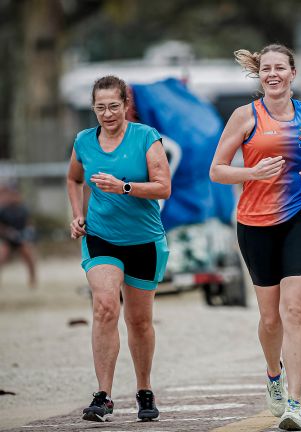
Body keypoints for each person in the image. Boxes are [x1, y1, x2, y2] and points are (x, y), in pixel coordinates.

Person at [210, 44, 301, 431]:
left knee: (294, 311)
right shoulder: (245, 116)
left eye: (280, 67)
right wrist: (252, 174)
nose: (273, 74)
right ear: (260, 75)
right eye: (266, 68)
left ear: (292, 73)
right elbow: (217, 170)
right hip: (254, 222)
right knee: (269, 318)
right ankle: (273, 374)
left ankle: (296, 404)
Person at [66, 75, 171, 423]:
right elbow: (74, 178)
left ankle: (144, 390)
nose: (107, 113)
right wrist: (78, 215)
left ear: (126, 105)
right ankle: (104, 395)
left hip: (143, 240)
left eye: (114, 106)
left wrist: (123, 187)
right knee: (105, 307)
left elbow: (163, 187)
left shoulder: (145, 137)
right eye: (100, 107)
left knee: (139, 321)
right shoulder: (83, 141)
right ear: (92, 108)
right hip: (100, 236)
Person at [0, 183, 37, 288]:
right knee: (1, 258)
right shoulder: (3, 210)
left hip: (21, 239)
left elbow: (29, 222)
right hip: (8, 240)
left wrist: (29, 231)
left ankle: (32, 280)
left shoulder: (23, 209)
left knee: (30, 258)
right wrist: (7, 232)